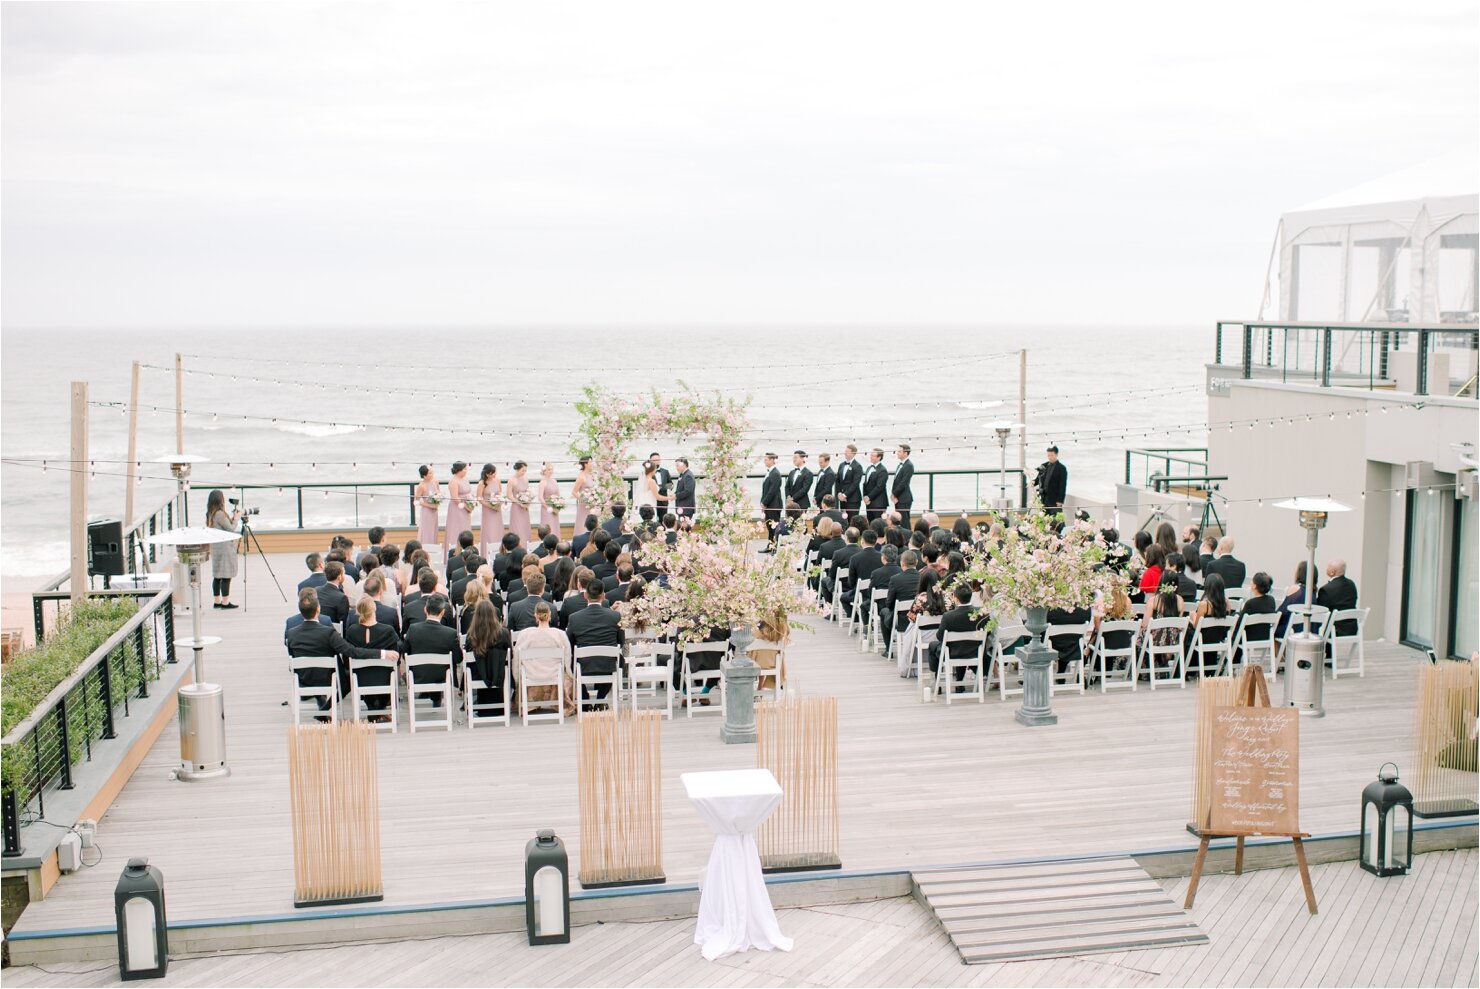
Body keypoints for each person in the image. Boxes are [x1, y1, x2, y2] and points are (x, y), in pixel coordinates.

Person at [287, 591, 397, 712]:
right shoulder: (328, 632)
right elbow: (351, 651)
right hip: (329, 678)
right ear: (318, 609)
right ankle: (326, 709)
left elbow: (291, 657)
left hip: (302, 679)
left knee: (351, 674)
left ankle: (372, 710)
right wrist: (382, 653)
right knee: (349, 678)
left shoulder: (291, 633)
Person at [565, 578, 625, 703]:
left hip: (582, 664)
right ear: (603, 596)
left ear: (585, 595)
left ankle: (585, 697)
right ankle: (600, 698)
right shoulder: (615, 616)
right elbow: (621, 641)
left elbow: (568, 643)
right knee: (619, 659)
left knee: (570, 661)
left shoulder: (575, 618)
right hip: (608, 663)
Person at [514, 601, 578, 716]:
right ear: (550, 615)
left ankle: (530, 704)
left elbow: (516, 660)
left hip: (531, 676)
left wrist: (517, 680)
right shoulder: (560, 634)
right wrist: (569, 674)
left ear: (535, 615)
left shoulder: (524, 634)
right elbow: (567, 660)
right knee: (569, 677)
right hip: (554, 676)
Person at [345, 596, 404, 712]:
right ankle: (378, 711)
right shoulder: (388, 630)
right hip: (384, 679)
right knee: (387, 673)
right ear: (374, 609)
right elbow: (396, 660)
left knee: (367, 675)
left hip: (360, 679)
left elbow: (348, 659)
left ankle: (374, 710)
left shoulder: (352, 631)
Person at [404, 594, 464, 706]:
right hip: (443, 677)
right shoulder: (450, 633)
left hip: (418, 676)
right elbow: (458, 658)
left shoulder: (413, 629)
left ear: (425, 610)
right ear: (442, 612)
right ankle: (436, 697)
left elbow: (406, 653)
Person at [927, 583, 988, 681]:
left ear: (955, 598)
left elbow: (940, 636)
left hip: (953, 653)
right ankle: (959, 682)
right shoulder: (982, 613)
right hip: (975, 651)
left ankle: (936, 678)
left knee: (933, 645)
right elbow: (987, 632)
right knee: (959, 644)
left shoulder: (948, 616)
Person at [464, 599, 512, 710]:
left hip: (478, 675)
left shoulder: (471, 635)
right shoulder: (503, 633)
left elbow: (467, 657)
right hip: (499, 675)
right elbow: (510, 655)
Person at [899, 568, 948, 675]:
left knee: (911, 627)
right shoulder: (947, 596)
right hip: (943, 635)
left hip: (924, 636)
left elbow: (911, 617)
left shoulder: (921, 598)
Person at [205, 489, 241, 608]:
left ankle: (217, 601)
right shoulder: (220, 513)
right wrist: (236, 519)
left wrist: (231, 518)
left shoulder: (210, 513)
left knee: (217, 575)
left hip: (216, 547)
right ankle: (225, 602)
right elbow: (230, 529)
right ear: (220, 500)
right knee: (226, 575)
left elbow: (222, 526)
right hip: (225, 547)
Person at [1187, 573, 1231, 667]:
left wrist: (1192, 616)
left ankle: (1189, 665)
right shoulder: (1226, 603)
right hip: (1218, 637)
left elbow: (1197, 626)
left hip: (1203, 638)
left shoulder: (1204, 605)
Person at [1315, 559, 1360, 636]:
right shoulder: (1352, 584)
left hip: (1334, 631)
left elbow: (1320, 610)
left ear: (1332, 572)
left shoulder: (1326, 589)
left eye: (1328, 567)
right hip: (1352, 629)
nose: (1326, 568)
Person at [444, 462, 474, 556]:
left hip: (466, 508)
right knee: (456, 529)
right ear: (459, 470)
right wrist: (466, 507)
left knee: (465, 528)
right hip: (457, 509)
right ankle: (455, 553)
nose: (466, 471)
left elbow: (468, 493)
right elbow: (455, 497)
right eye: (464, 469)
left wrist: (471, 503)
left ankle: (467, 552)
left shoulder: (465, 479)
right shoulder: (454, 481)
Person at [1276, 560, 1309, 640]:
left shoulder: (1296, 589)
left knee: (1273, 631)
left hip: (1293, 629)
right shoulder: (1313, 592)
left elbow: (1282, 611)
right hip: (1307, 629)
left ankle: (1279, 653)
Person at [476, 463, 505, 554]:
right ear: (487, 474)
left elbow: (500, 493)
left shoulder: (497, 480)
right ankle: (487, 552)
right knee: (489, 530)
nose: (495, 475)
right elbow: (479, 498)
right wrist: (491, 506)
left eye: (495, 472)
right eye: (493, 473)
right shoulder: (482, 483)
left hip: (497, 510)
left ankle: (499, 550)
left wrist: (499, 503)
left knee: (498, 529)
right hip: (488, 510)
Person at [415, 465, 442, 551]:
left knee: (434, 530)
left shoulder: (435, 481)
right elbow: (416, 501)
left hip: (434, 511)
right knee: (426, 531)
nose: (432, 474)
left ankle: (433, 549)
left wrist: (438, 500)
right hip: (426, 511)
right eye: (430, 473)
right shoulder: (422, 486)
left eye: (432, 472)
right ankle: (425, 549)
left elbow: (439, 493)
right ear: (424, 475)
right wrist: (430, 505)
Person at [316, 561, 351, 626]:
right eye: (344, 574)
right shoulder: (342, 597)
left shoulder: (316, 590)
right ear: (339, 577)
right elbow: (343, 623)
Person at [759, 452, 783, 545]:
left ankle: (775, 546)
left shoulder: (775, 473)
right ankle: (770, 545)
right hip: (768, 505)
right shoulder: (769, 472)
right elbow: (765, 490)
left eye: (766, 459)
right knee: (769, 527)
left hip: (774, 505)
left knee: (774, 527)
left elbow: (772, 491)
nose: (765, 461)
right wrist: (762, 502)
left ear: (772, 460)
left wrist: (764, 502)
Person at [508, 460, 533, 545]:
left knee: (525, 527)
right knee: (517, 528)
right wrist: (519, 503)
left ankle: (526, 545)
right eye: (523, 470)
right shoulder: (511, 480)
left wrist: (528, 500)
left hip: (525, 507)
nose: (524, 472)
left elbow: (528, 491)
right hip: (516, 508)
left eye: (525, 470)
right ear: (517, 469)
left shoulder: (525, 478)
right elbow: (509, 495)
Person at [1037, 445, 1067, 513]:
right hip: (1044, 498)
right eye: (1048, 455)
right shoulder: (1044, 465)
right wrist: (1033, 482)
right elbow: (1038, 478)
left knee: (1056, 519)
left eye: (1052, 455)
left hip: (1055, 499)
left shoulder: (1062, 468)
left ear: (1056, 455)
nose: (1050, 457)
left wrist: (1060, 500)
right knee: (1043, 518)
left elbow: (1063, 485)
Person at [835, 444, 863, 516]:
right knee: (843, 519)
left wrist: (845, 495)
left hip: (853, 499)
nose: (845, 453)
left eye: (847, 451)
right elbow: (838, 480)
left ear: (853, 453)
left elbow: (855, 483)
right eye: (845, 451)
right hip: (842, 499)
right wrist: (839, 493)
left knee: (852, 519)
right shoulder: (841, 465)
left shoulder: (858, 466)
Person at [861, 448, 888, 520]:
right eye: (871, 455)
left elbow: (879, 487)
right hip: (869, 502)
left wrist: (869, 497)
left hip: (879, 503)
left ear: (879, 457)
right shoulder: (869, 468)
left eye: (873, 455)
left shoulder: (883, 470)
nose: (871, 457)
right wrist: (865, 496)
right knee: (870, 522)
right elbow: (865, 483)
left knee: (879, 524)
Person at [891, 444, 915, 527]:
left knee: (904, 521)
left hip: (904, 498)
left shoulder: (908, 465)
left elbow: (903, 483)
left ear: (905, 453)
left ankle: (908, 537)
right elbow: (896, 481)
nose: (897, 453)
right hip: (899, 497)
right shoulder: (901, 464)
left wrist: (894, 494)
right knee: (899, 521)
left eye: (899, 451)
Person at [571, 457, 596, 535]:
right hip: (583, 505)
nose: (592, 464)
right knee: (582, 523)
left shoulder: (590, 475)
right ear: (585, 464)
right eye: (590, 462)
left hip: (591, 504)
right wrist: (584, 500)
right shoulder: (581, 477)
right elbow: (574, 492)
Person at [538, 462, 563, 540]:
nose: (551, 471)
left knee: (555, 527)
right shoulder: (542, 482)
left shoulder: (554, 481)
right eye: (549, 469)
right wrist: (548, 507)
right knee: (548, 526)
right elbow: (540, 497)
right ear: (544, 471)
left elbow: (558, 495)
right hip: (546, 510)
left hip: (555, 509)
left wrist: (558, 506)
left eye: (551, 469)